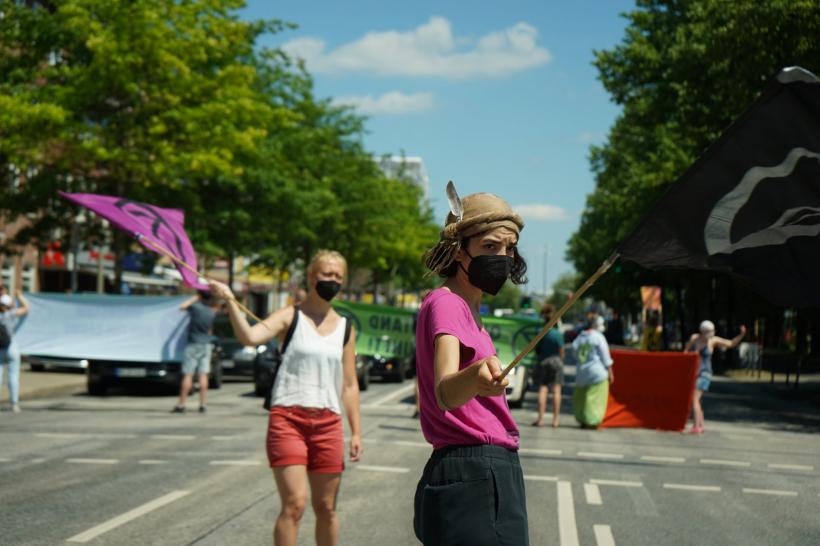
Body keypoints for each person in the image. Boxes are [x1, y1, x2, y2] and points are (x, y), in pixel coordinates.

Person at [210, 250, 361, 546]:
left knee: (326, 509)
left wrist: (356, 432)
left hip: (329, 424)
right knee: (294, 504)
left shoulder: (345, 328)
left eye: (337, 276)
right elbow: (250, 338)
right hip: (288, 420)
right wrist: (230, 300)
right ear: (310, 276)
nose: (331, 280)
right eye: (326, 274)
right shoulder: (290, 316)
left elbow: (350, 384)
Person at [413, 190, 529, 546]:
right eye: (490, 246)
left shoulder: (469, 309)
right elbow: (446, 391)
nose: (503, 258)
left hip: (481, 469)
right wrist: (476, 376)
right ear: (459, 249)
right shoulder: (447, 304)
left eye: (509, 249)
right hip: (475, 469)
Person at [684, 320, 746, 434]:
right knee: (697, 400)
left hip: (705, 374)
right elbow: (686, 352)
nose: (710, 334)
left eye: (711, 331)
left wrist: (741, 335)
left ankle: (696, 426)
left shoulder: (713, 341)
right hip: (694, 374)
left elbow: (731, 344)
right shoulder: (694, 338)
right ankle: (700, 425)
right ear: (702, 331)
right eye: (708, 332)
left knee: (694, 399)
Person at [173, 290, 217, 414]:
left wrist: (194, 298)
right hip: (206, 344)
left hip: (193, 343)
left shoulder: (196, 307)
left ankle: (182, 404)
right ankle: (203, 404)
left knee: (188, 374)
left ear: (200, 296)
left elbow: (182, 307)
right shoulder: (211, 312)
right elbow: (210, 331)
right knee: (203, 374)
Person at [571, 312, 614, 429]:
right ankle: (593, 422)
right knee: (596, 399)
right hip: (597, 373)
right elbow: (606, 357)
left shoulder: (580, 337)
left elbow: (574, 352)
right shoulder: (598, 337)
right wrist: (610, 372)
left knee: (582, 398)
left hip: (582, 373)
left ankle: (583, 420)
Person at [532, 303, 565, 428]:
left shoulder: (541, 332)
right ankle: (555, 420)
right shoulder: (557, 334)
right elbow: (562, 351)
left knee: (543, 389)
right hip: (556, 361)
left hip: (543, 361)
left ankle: (540, 419)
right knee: (557, 390)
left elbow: (536, 349)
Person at [0, 290, 30, 413]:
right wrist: (20, 296)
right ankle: (14, 404)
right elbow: (27, 308)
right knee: (13, 376)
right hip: (11, 345)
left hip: (0, 347)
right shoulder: (11, 314)